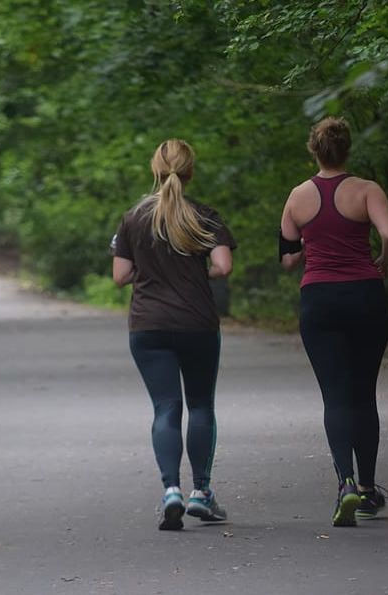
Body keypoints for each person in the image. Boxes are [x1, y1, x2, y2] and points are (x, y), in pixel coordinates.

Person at [279, 117, 388, 527]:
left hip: (320, 300)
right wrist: (384, 259)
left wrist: (306, 247)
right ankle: (367, 489)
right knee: (364, 393)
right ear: (348, 149)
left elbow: (288, 256)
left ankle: (344, 483)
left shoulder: (296, 197)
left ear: (313, 150)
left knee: (335, 395)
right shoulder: (367, 190)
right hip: (366, 296)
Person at [112, 139, 236, 531]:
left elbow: (119, 276)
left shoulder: (133, 217)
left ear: (155, 170)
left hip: (148, 325)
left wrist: (149, 272)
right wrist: (195, 272)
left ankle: (171, 492)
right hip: (197, 323)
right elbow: (223, 266)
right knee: (201, 406)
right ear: (190, 171)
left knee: (166, 408)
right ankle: (202, 492)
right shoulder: (204, 216)